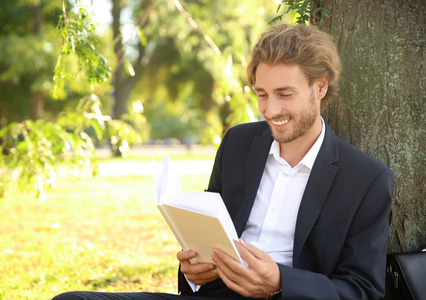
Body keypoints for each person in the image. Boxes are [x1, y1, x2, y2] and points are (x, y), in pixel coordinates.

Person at [52, 23, 394, 300]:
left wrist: (280, 282)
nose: (270, 110)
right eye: (262, 94)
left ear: (319, 87)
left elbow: (362, 290)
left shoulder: (366, 179)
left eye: (284, 94)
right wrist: (192, 271)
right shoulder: (237, 143)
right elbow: (205, 235)